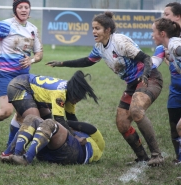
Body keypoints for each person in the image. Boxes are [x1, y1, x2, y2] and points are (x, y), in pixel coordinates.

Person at [46, 11, 164, 167]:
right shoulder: (100, 47)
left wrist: (145, 75)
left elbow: (146, 58)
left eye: (97, 28)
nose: (94, 32)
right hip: (132, 84)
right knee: (122, 123)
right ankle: (142, 157)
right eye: (93, 28)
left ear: (108, 30)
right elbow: (88, 61)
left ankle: (157, 155)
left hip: (149, 78)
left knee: (136, 111)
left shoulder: (120, 42)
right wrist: (62, 63)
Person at [0, 0, 43, 146]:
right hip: (4, 74)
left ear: (29, 10)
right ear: (15, 10)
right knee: (5, 111)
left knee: (21, 114)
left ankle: (10, 147)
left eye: (26, 7)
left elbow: (39, 54)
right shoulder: (5, 25)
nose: (23, 10)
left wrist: (32, 60)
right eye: (20, 7)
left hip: (22, 78)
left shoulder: (33, 29)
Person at [0, 70, 99, 159]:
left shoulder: (70, 94)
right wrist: (75, 138)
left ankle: (24, 148)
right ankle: (10, 152)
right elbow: (59, 120)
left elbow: (71, 118)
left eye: (79, 99)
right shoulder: (60, 94)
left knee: (46, 124)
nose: (76, 101)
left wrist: (77, 132)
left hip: (30, 89)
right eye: (76, 98)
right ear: (73, 93)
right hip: (20, 86)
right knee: (34, 122)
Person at [0, 115, 105, 165]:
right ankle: (15, 155)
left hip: (72, 153)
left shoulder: (96, 144)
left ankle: (22, 157)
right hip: (49, 151)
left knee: (49, 123)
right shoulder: (81, 138)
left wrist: (65, 123)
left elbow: (91, 128)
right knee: (31, 118)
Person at [152, 17, 181, 164]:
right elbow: (153, 63)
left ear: (162, 33)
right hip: (176, 92)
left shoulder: (174, 44)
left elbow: (178, 49)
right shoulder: (165, 47)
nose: (152, 35)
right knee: (176, 127)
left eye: (153, 31)